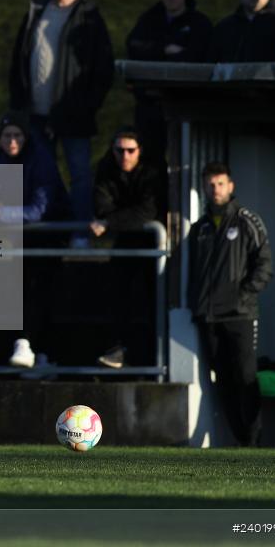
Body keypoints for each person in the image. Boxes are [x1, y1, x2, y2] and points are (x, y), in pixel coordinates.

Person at [9, 0, 114, 225]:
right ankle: (48, 235)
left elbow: (103, 67)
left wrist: (88, 105)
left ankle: (79, 233)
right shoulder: (36, 11)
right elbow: (18, 59)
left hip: (74, 113)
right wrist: (19, 106)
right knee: (40, 176)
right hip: (35, 115)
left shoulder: (89, 17)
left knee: (79, 175)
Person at [0, 111, 69, 369]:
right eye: (7, 135)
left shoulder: (41, 159)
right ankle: (29, 348)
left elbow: (41, 209)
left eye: (17, 135)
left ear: (26, 137)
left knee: (39, 289)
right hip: (19, 234)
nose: (12, 141)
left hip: (50, 232)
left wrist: (0, 214)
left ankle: (35, 348)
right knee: (19, 288)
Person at [189, 162, 272, 447]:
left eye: (220, 184)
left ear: (231, 186)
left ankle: (254, 441)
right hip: (209, 316)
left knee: (245, 377)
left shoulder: (247, 221)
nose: (216, 190)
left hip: (240, 315)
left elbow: (264, 265)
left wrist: (243, 295)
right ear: (204, 187)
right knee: (222, 380)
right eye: (211, 185)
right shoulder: (199, 228)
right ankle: (242, 440)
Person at [125, 0, 212, 172]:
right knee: (149, 163)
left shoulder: (199, 22)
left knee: (186, 162)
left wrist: (166, 53)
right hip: (150, 103)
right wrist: (164, 49)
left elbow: (200, 55)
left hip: (186, 102)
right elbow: (134, 47)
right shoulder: (149, 19)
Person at [90, 128, 160, 369]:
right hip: (125, 242)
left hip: (154, 244)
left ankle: (151, 355)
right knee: (116, 294)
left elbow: (149, 211)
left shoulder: (152, 173)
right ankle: (116, 349)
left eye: (131, 150)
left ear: (140, 151)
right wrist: (120, 219)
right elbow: (101, 206)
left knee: (153, 298)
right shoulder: (106, 168)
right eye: (120, 150)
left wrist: (110, 222)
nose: (125, 156)